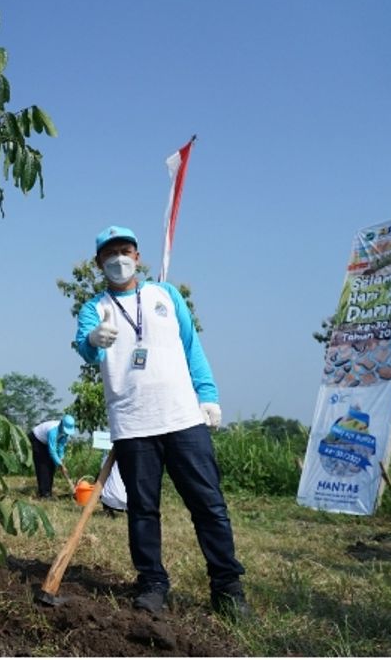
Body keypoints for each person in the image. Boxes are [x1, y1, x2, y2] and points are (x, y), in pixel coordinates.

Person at [75, 225, 249, 618]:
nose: (118, 259)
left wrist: (208, 395)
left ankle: (227, 587)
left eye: (125, 251)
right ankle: (152, 582)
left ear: (137, 256)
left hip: (184, 417)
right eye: (109, 254)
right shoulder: (94, 308)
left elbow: (192, 346)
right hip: (133, 423)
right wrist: (93, 341)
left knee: (209, 505)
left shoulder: (165, 295)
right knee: (142, 510)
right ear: (99, 263)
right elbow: (85, 350)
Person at [28, 414, 76, 499]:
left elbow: (61, 446)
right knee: (43, 465)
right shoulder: (53, 431)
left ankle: (48, 491)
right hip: (37, 439)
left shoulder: (65, 433)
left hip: (47, 442)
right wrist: (60, 464)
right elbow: (52, 451)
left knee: (52, 466)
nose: (66, 432)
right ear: (61, 424)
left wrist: (61, 460)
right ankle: (43, 494)